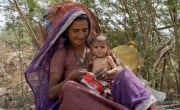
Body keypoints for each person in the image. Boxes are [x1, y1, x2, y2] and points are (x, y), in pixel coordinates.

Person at [25, 2, 158, 110]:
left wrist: (107, 73)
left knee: (125, 74)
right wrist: (71, 77)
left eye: (85, 30)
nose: (81, 35)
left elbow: (120, 69)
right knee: (69, 88)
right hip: (81, 101)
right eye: (75, 31)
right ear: (66, 32)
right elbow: (52, 93)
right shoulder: (61, 54)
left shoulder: (97, 47)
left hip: (104, 95)